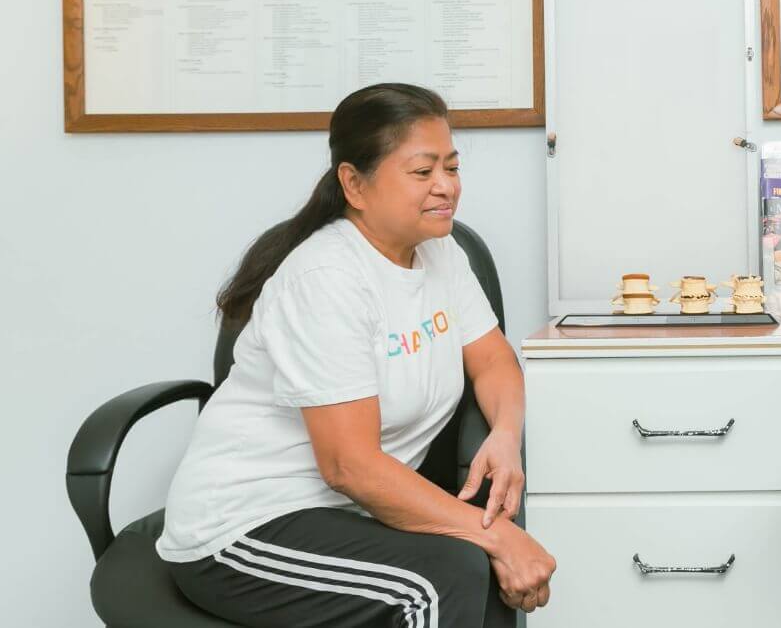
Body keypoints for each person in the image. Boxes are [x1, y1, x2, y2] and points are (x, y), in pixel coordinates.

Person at [157, 83, 556, 627]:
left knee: (469, 562)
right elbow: (350, 465)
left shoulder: (441, 251)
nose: (446, 188)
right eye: (422, 172)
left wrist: (505, 435)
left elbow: (492, 358)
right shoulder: (327, 278)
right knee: (445, 576)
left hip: (347, 515)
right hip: (244, 525)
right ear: (354, 184)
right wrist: (498, 534)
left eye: (453, 167)